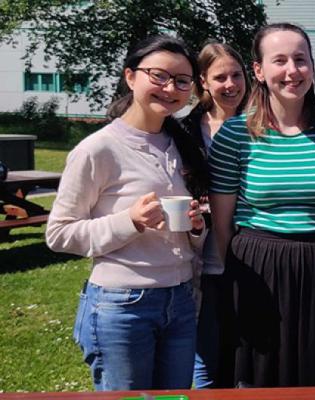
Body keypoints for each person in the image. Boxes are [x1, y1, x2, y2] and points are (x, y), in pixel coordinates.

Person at [46, 35, 207, 390]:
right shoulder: (98, 149)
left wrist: (196, 228)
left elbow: (183, 237)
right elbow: (58, 234)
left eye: (182, 81)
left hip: (179, 300)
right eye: (159, 76)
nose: (170, 88)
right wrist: (129, 221)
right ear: (131, 76)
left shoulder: (180, 146)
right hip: (123, 306)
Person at [207, 23, 315, 387]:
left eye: (301, 60)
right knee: (260, 377)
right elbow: (223, 226)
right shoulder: (235, 135)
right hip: (256, 270)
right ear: (258, 70)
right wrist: (233, 285)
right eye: (280, 60)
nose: (292, 70)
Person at [179, 41, 248, 389]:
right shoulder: (185, 132)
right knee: (204, 348)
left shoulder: (260, 125)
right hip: (200, 255)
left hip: (250, 253)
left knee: (242, 346)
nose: (231, 84)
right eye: (221, 77)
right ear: (203, 81)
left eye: (237, 75)